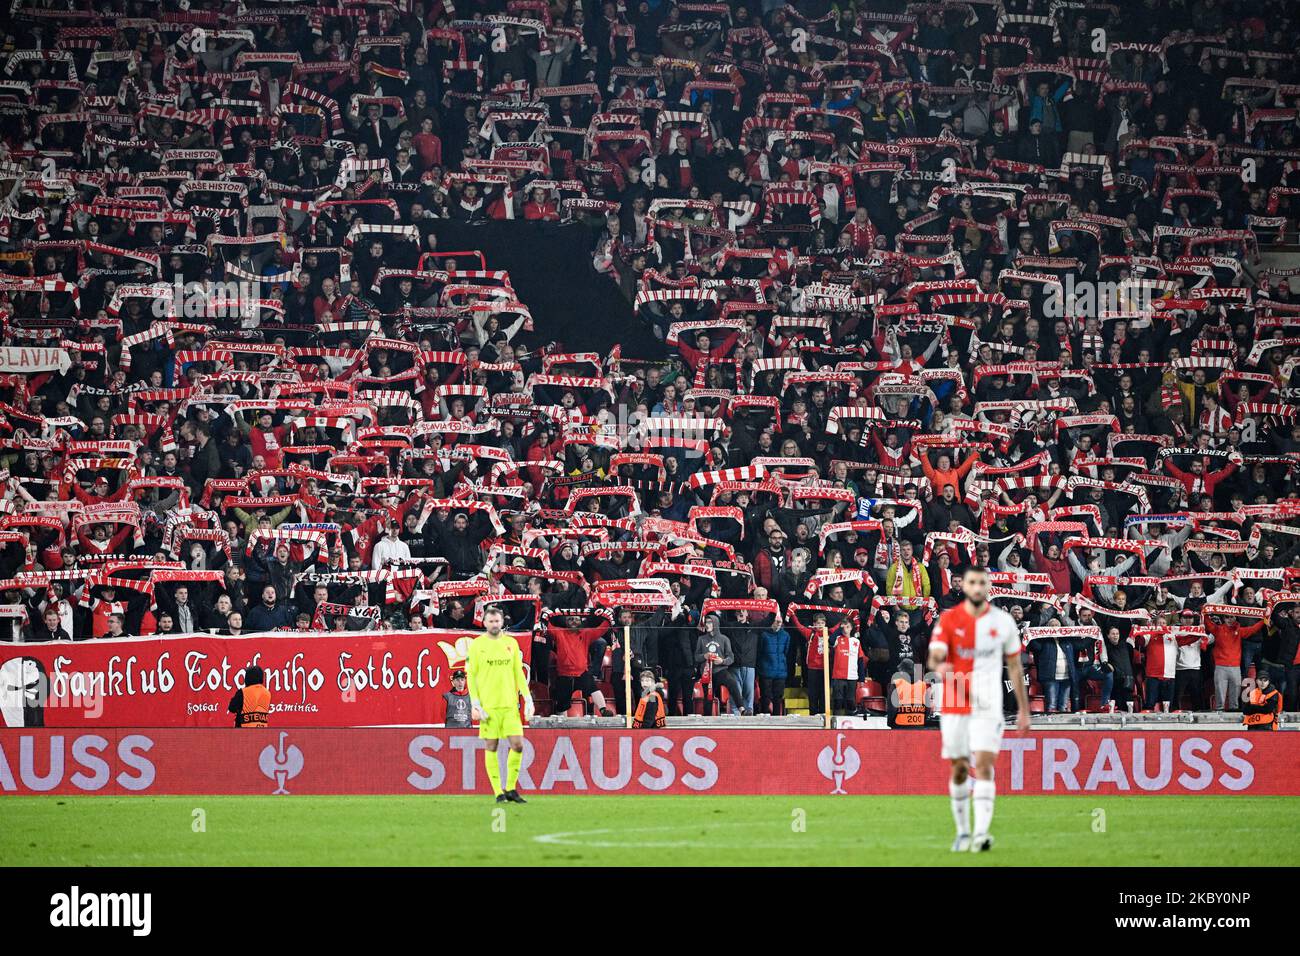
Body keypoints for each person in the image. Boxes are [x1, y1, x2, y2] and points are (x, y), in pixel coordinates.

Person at [927, 565, 1031, 853]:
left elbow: (1014, 666)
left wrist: (1023, 709)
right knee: (960, 769)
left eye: (981, 582)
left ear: (987, 587)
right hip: (956, 702)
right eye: (971, 582)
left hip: (988, 703)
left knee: (984, 766)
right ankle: (962, 832)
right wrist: (943, 665)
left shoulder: (1004, 622)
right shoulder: (948, 621)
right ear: (964, 586)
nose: (976, 587)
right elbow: (934, 658)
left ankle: (981, 834)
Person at [466, 607, 534, 803]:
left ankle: (511, 788)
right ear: (484, 623)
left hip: (510, 706)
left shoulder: (511, 643)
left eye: (497, 621)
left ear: (502, 621)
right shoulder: (477, 646)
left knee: (518, 745)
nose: (495, 624)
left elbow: (518, 673)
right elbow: (471, 676)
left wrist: (528, 699)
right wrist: (476, 704)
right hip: (489, 706)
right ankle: (498, 791)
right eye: (491, 621)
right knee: (492, 746)